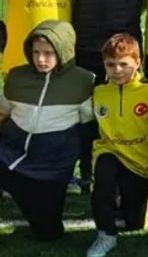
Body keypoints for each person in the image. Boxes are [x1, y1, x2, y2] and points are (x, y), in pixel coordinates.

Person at [0, 20, 94, 241]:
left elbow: (86, 120)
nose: (40, 59)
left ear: (63, 51)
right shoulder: (16, 76)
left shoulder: (83, 80)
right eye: (36, 52)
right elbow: (3, 111)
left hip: (51, 167)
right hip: (10, 155)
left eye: (48, 53)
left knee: (48, 233)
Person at [88, 33, 148, 257]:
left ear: (137, 62)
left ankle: (123, 202)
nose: (117, 70)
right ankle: (105, 236)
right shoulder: (98, 91)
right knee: (103, 181)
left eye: (123, 64)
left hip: (139, 161)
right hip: (109, 151)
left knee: (134, 224)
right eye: (111, 65)